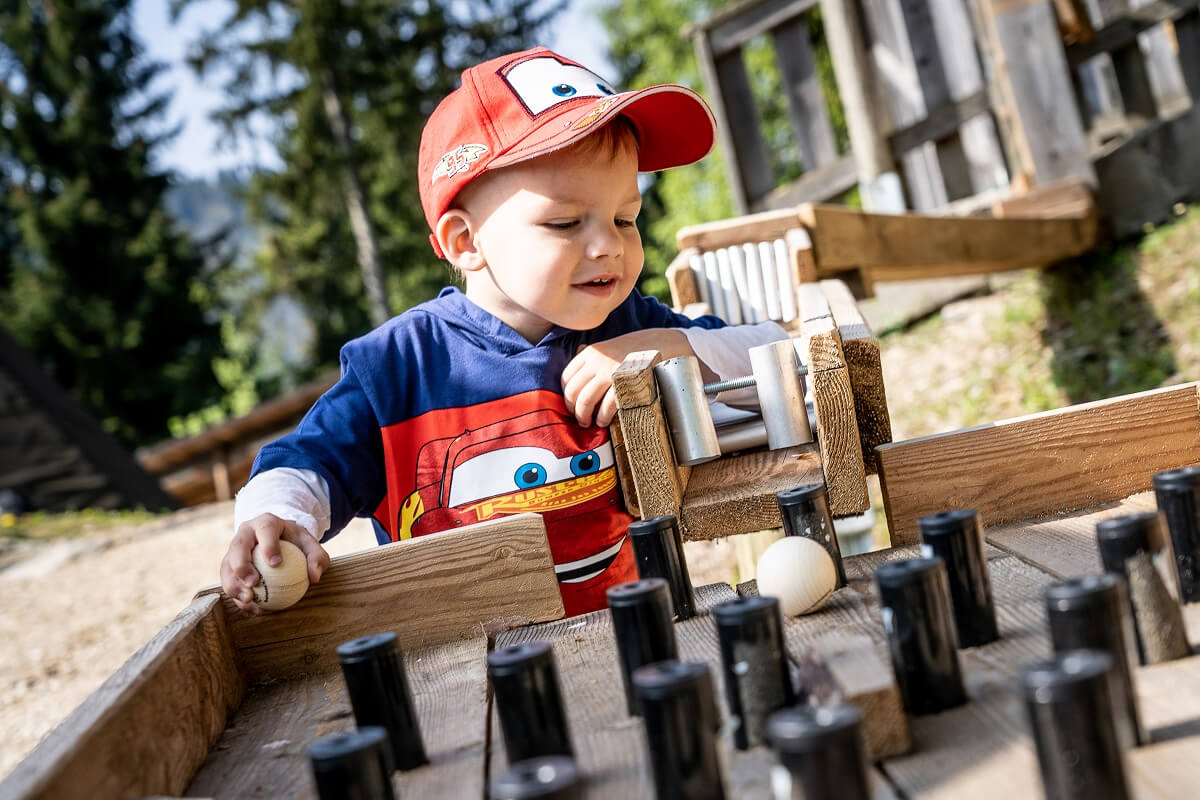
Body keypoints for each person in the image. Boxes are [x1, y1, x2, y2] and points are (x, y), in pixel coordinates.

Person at [220, 46, 788, 617]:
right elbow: (308, 463)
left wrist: (670, 347)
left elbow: (779, 357)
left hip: (635, 632)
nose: (609, 245)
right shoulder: (399, 368)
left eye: (625, 218)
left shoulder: (631, 328)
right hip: (465, 668)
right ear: (466, 242)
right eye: (565, 222)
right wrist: (278, 517)